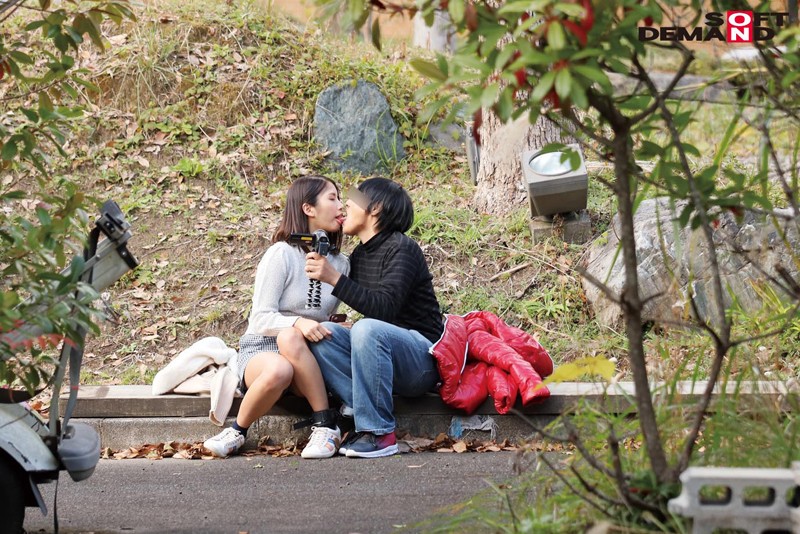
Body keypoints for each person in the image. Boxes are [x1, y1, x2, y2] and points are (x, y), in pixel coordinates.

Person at [203, 175, 350, 459]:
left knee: (294, 339)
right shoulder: (281, 254)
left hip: (308, 357)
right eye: (332, 198)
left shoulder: (341, 263)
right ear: (308, 208)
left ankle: (325, 429)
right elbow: (260, 318)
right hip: (263, 349)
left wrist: (331, 324)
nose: (341, 206)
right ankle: (237, 432)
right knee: (283, 356)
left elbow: (325, 314)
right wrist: (297, 322)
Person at [304, 177, 443, 458]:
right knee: (323, 334)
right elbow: (365, 304)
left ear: (375, 208)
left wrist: (334, 277)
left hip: (421, 361)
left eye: (353, 200)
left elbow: (384, 309)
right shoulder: (359, 255)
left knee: (367, 328)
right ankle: (359, 408)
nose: (345, 206)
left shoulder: (402, 248)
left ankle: (380, 433)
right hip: (384, 354)